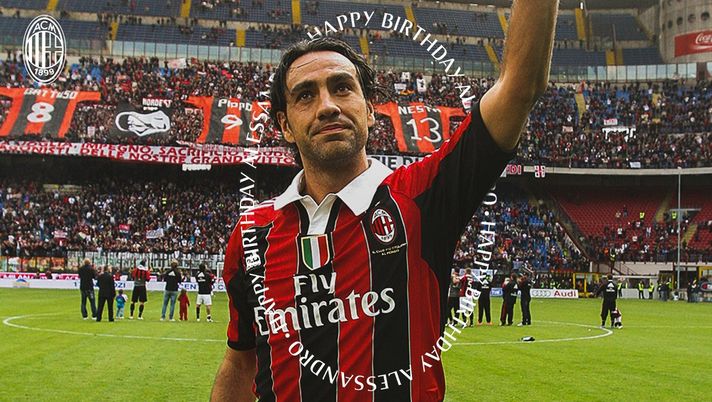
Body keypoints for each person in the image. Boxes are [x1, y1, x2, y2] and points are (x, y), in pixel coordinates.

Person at [212, 1, 559, 398]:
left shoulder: (422, 199)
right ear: (285, 125)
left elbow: (519, 86)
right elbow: (240, 360)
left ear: (370, 110)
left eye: (342, 87)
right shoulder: (252, 234)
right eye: (305, 95)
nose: (327, 106)